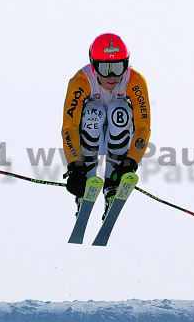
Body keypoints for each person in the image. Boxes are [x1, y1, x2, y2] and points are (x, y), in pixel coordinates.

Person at [61, 33, 151, 215]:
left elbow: (143, 126)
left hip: (119, 138)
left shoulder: (134, 81)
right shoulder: (80, 81)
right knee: (94, 111)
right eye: (105, 68)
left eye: (118, 68)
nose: (111, 76)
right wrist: (74, 166)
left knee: (120, 110)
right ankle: (87, 179)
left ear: (126, 64)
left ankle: (112, 182)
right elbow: (69, 127)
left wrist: (131, 161)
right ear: (93, 66)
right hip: (89, 135)